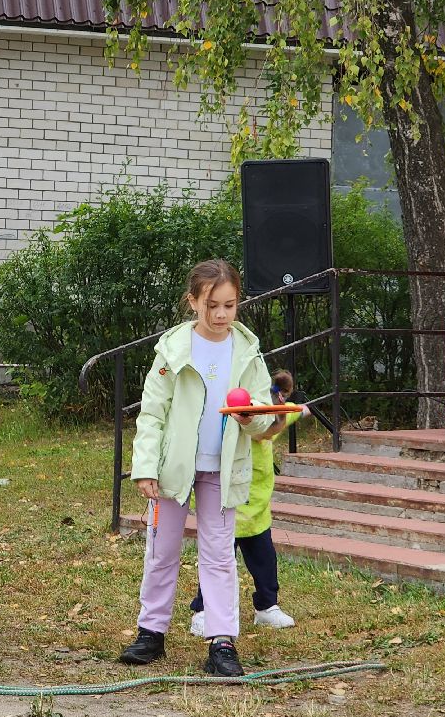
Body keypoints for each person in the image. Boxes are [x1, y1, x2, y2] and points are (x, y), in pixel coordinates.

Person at [118, 260, 275, 677]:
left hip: (223, 472)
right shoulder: (172, 351)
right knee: (162, 550)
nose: (222, 315)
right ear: (193, 302)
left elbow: (261, 410)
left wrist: (251, 418)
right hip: (173, 471)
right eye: (213, 305)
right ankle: (151, 632)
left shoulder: (247, 352)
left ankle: (222, 642)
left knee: (220, 555)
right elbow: (152, 413)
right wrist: (145, 466)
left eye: (230, 305)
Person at [190, 369, 308, 634]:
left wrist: (299, 409)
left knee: (265, 560)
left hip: (257, 510)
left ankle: (267, 607)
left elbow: (287, 412)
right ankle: (204, 609)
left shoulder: (271, 418)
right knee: (217, 563)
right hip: (226, 504)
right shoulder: (233, 426)